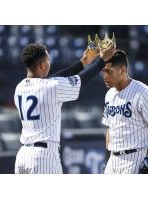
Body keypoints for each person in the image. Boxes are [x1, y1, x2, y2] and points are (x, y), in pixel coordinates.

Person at [14, 42, 115, 174]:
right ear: (42, 65)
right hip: (43, 157)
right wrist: (102, 61)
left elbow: (53, 80)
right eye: (48, 59)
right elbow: (80, 80)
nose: (49, 63)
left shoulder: (20, 88)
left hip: (22, 155)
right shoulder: (51, 87)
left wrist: (83, 62)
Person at [101, 50, 148, 174]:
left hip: (135, 158)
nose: (105, 76)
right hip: (113, 159)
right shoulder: (109, 94)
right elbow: (110, 128)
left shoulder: (143, 93)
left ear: (122, 70)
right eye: (103, 71)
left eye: (109, 71)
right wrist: (108, 158)